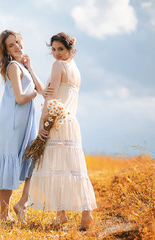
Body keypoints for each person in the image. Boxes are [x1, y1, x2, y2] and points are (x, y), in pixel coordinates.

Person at [27, 32, 97, 231]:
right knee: (73, 169)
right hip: (71, 122)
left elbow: (52, 98)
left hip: (57, 122)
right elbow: (54, 94)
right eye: (54, 49)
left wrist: (42, 123)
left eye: (61, 49)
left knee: (59, 167)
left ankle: (74, 214)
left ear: (70, 50)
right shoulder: (75, 69)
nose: (56, 54)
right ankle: (72, 214)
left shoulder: (58, 66)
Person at [0, 30, 45, 222]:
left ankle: (19, 205)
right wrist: (33, 94)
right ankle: (4, 214)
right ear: (6, 50)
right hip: (13, 123)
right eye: (11, 45)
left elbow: (42, 90)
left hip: (25, 122)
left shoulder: (22, 67)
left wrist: (31, 67)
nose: (17, 46)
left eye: (17, 42)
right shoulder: (12, 67)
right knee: (9, 163)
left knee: (30, 159)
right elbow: (20, 97)